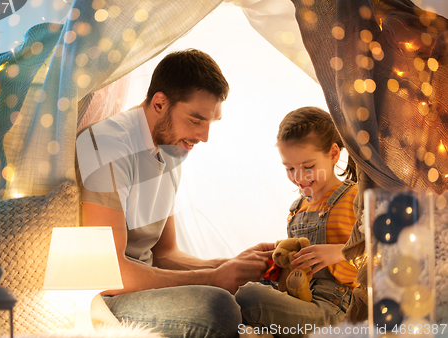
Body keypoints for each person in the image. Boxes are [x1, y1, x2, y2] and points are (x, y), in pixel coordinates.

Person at [76, 49, 274, 338]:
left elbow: (166, 254)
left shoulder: (173, 148)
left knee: (258, 289)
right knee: (219, 307)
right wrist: (214, 279)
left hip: (147, 284)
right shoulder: (107, 144)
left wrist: (234, 266)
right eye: (196, 120)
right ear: (159, 103)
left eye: (210, 123)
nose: (204, 137)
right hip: (110, 297)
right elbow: (109, 273)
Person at [235, 106, 359, 338]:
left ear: (333, 154)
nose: (298, 177)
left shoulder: (354, 197)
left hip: (334, 307)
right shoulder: (297, 208)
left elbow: (385, 248)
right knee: (233, 294)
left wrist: (338, 252)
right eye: (290, 168)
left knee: (248, 298)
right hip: (296, 296)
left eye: (308, 167)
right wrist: (276, 263)